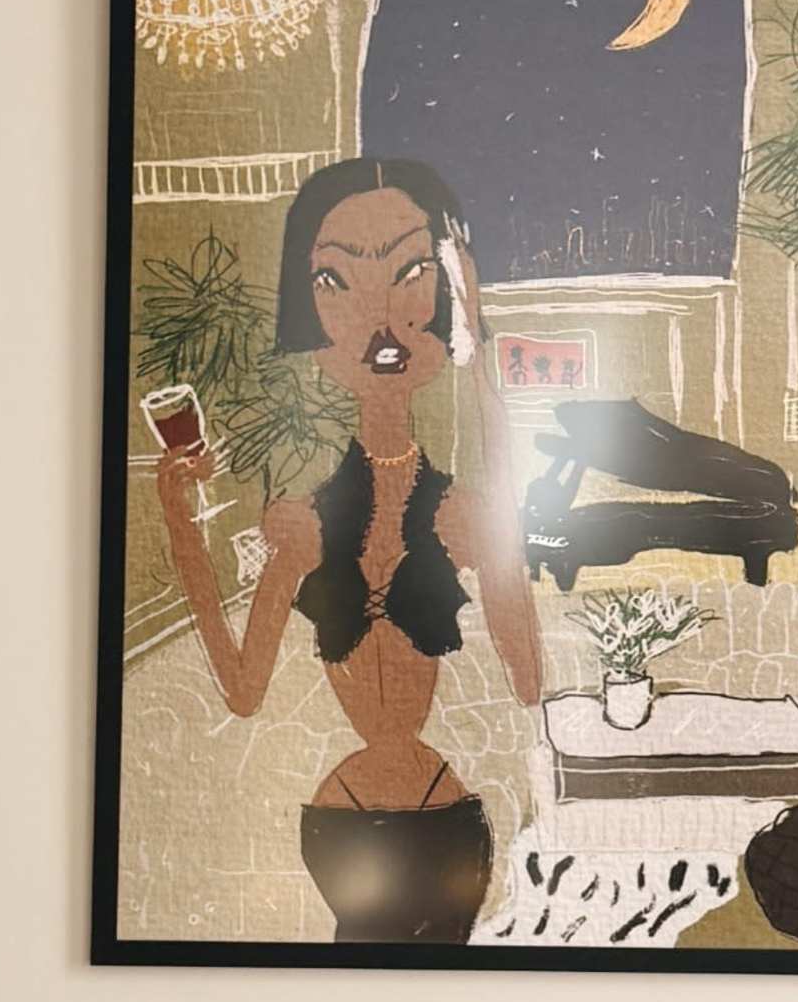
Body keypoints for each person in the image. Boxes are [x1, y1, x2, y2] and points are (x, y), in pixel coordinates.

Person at [153, 157, 545, 944]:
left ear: (448, 313)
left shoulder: (458, 515)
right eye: (336, 282)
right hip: (344, 832)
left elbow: (530, 678)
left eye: (410, 274)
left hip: (445, 829)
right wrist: (179, 522)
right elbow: (241, 689)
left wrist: (483, 351)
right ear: (312, 322)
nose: (381, 318)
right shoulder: (304, 524)